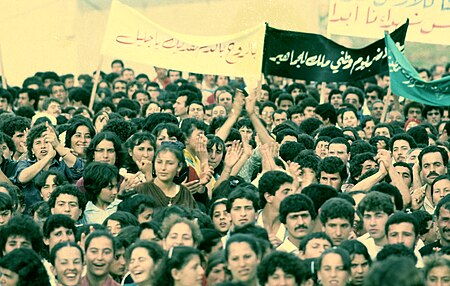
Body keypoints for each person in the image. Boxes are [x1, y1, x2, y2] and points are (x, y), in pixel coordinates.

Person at [13, 123, 83, 212]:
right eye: (38, 143)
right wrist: (48, 157)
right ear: (32, 150)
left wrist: (58, 146)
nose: (43, 146)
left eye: (47, 142)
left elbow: (80, 169)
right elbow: (22, 178)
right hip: (31, 216)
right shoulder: (25, 164)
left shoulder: (62, 165)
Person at [134, 143, 197, 209]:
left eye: (170, 163)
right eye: (159, 162)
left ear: (179, 167)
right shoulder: (142, 189)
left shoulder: (184, 193)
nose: (163, 168)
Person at [257, 170, 294, 248]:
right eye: (285, 192)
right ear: (268, 197)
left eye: (291, 192)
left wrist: (283, 248)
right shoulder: (250, 221)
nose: (291, 196)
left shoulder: (294, 225)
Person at [357, 191, 395, 260]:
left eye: (378, 216)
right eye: (367, 217)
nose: (372, 223)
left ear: (390, 218)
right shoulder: (359, 246)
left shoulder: (402, 246)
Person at [412, 146, 448, 214]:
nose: (432, 170)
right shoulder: (414, 198)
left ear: (445, 168)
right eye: (426, 166)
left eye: (437, 165)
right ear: (421, 170)